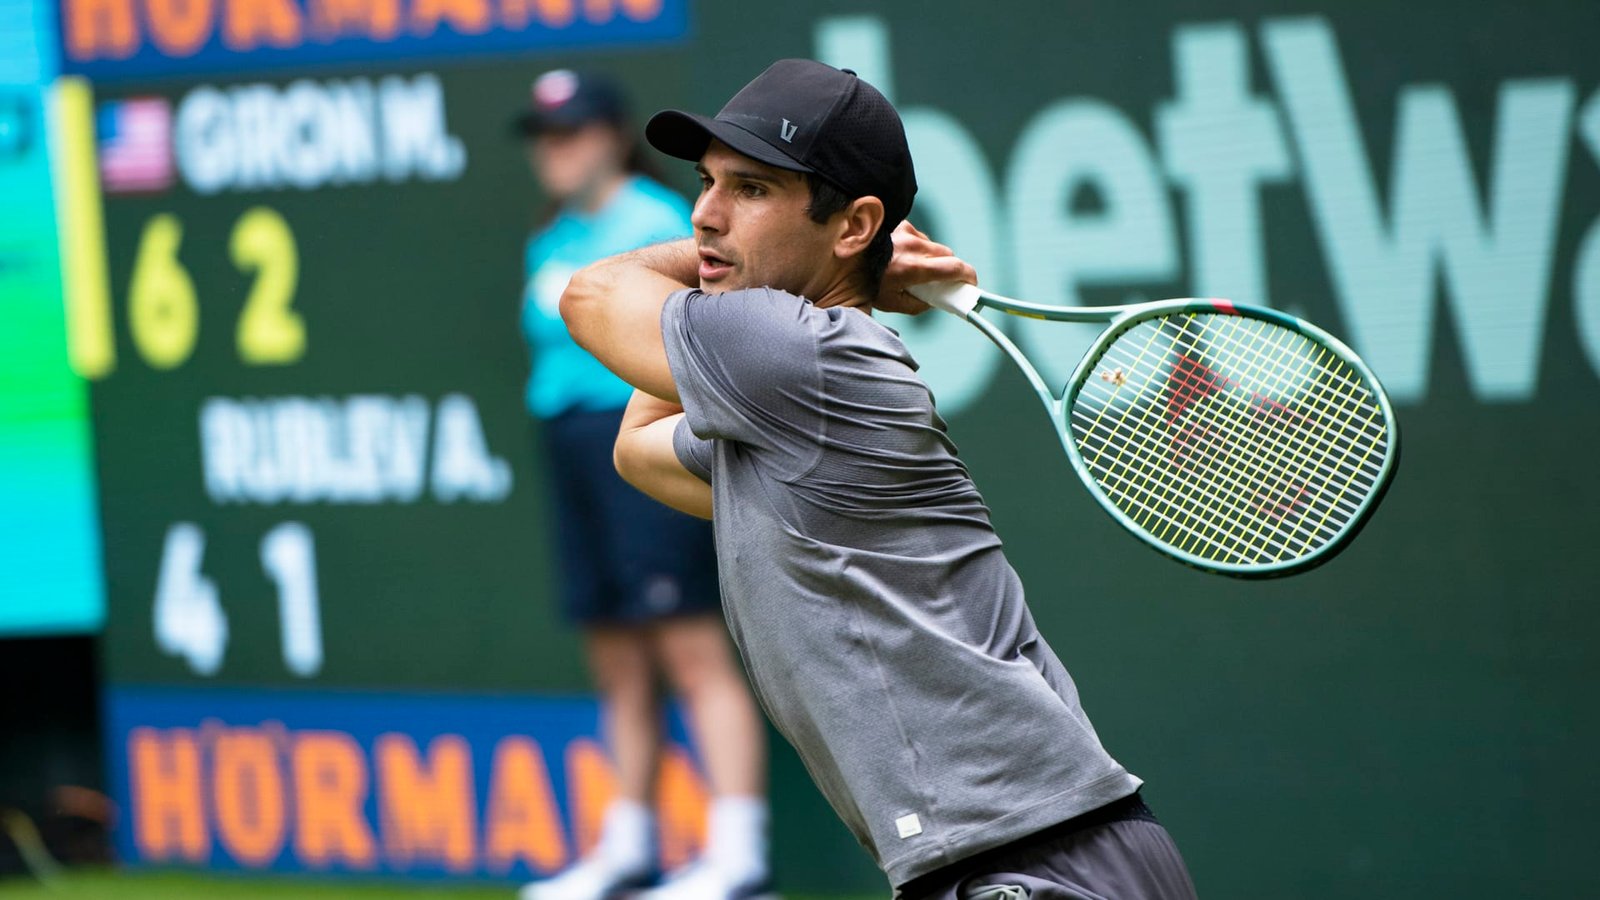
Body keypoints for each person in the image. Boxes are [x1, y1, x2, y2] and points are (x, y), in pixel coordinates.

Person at [558, 59, 1201, 899]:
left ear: (855, 224)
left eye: (750, 190)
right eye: (706, 183)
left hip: (1034, 858)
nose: (707, 214)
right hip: (1028, 851)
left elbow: (591, 294)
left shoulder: (808, 357)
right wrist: (731, 266)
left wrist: (727, 272)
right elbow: (638, 448)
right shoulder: (783, 403)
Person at [511, 69, 772, 900]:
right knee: (616, 657)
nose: (555, 152)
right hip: (569, 443)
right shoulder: (546, 240)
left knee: (690, 646)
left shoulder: (661, 226)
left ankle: (739, 857)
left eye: (572, 133)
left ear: (610, 135)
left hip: (646, 440)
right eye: (545, 137)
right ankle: (628, 847)